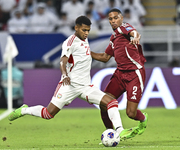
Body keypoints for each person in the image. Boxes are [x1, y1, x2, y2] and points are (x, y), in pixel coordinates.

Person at [8, 15, 139, 141]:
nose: (86, 33)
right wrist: (64, 75)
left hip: (86, 86)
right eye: (84, 30)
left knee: (112, 102)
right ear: (76, 28)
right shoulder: (69, 42)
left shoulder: (84, 39)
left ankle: (120, 130)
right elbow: (62, 61)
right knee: (48, 114)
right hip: (69, 85)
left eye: (88, 30)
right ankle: (24, 110)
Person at [91, 8, 148, 136]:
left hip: (134, 74)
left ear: (121, 18)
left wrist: (136, 38)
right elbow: (105, 58)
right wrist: (87, 52)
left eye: (115, 17)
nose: (113, 21)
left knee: (131, 113)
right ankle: (111, 133)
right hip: (120, 74)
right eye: (110, 19)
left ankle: (143, 119)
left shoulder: (124, 28)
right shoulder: (114, 38)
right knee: (104, 103)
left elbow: (135, 33)